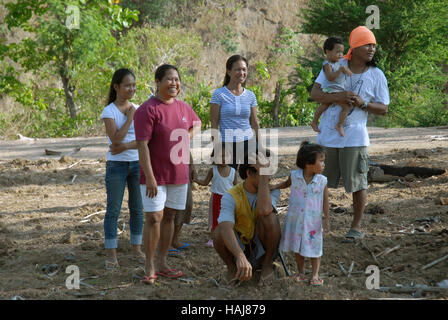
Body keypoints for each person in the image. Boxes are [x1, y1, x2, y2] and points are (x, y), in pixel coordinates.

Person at [309, 26, 389, 242]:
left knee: (358, 182)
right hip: (327, 136)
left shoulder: (376, 74)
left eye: (373, 45)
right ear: (354, 47)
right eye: (367, 44)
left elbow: (383, 108)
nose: (372, 48)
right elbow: (315, 94)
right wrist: (339, 96)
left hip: (355, 137)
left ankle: (356, 227)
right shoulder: (336, 65)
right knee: (320, 181)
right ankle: (319, 223)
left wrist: (363, 104)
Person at [134, 64, 201, 284]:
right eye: (169, 79)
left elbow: (197, 124)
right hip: (155, 176)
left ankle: (163, 262)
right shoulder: (147, 109)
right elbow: (142, 145)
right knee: (154, 218)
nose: (174, 83)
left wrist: (185, 136)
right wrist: (150, 176)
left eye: (177, 79)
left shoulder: (183, 108)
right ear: (158, 82)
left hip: (178, 174)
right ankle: (150, 265)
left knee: (170, 216)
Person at [213, 151, 281, 286]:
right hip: (240, 248)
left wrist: (263, 176)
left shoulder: (272, 190)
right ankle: (232, 268)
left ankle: (267, 266)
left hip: (262, 247)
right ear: (249, 173)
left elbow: (264, 210)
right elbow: (226, 227)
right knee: (219, 230)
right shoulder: (230, 195)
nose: (269, 177)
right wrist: (239, 256)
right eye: (264, 171)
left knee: (270, 218)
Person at [100, 68, 145, 270]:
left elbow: (143, 141)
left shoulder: (138, 108)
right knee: (113, 210)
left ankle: (137, 249)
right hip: (116, 166)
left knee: (137, 209)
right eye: (127, 85)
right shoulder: (109, 111)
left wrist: (125, 146)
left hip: (137, 163)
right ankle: (111, 255)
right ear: (116, 86)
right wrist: (129, 119)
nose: (131, 89)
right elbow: (114, 139)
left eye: (134, 85)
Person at [272, 142, 329, 286]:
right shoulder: (295, 176)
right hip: (296, 218)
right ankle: (301, 272)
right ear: (308, 163)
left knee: (314, 247)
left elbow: (325, 201)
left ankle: (315, 273)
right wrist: (273, 186)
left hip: (313, 222)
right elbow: (286, 184)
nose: (323, 164)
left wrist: (326, 219)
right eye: (321, 161)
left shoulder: (322, 181)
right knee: (297, 246)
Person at [210, 54, 261, 169]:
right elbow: (214, 123)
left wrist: (260, 146)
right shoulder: (219, 94)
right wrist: (217, 148)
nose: (242, 73)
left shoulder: (250, 95)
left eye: (244, 69)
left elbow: (254, 123)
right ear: (229, 71)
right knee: (227, 181)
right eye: (237, 69)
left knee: (250, 179)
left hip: (248, 143)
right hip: (227, 144)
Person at [193, 144, 237, 247]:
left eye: (226, 156)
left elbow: (237, 187)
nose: (223, 159)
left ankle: (229, 238)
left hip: (229, 199)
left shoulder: (233, 172)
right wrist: (195, 180)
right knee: (215, 220)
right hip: (216, 198)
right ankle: (213, 239)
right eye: (220, 156)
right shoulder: (213, 170)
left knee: (229, 219)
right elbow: (205, 182)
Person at [310, 36, 353, 137]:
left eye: (342, 52)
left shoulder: (338, 63)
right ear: (328, 52)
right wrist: (341, 70)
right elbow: (330, 77)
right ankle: (339, 125)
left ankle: (314, 121)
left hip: (335, 89)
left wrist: (345, 71)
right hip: (331, 90)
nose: (340, 55)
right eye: (337, 52)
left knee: (325, 105)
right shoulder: (327, 65)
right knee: (346, 106)